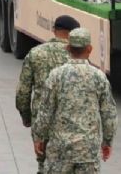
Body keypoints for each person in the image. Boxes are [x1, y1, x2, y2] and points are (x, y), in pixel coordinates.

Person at [33, 28, 116, 174]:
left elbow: (45, 111)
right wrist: (107, 141)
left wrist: (39, 136)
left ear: (67, 48)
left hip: (60, 151)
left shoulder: (56, 75)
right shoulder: (99, 77)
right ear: (89, 49)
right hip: (88, 152)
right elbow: (109, 114)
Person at [16, 15, 80, 173]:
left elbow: (22, 92)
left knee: (44, 164)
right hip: (73, 123)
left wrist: (27, 117)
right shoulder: (78, 55)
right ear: (74, 33)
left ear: (54, 31)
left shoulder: (35, 53)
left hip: (43, 123)